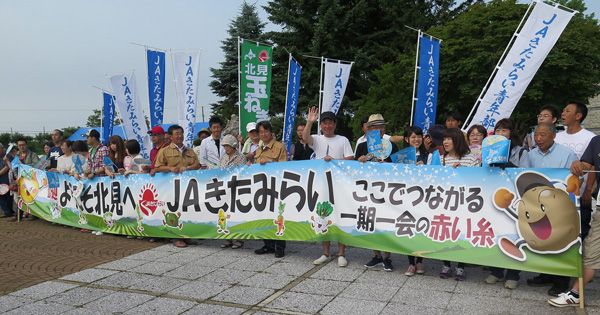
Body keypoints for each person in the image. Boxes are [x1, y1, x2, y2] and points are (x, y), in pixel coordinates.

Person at [526, 122, 578, 296]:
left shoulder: (567, 154)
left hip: (560, 205)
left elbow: (575, 179)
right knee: (543, 239)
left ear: (554, 135)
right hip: (538, 206)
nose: (538, 139)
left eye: (543, 135)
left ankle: (561, 281)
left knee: (561, 240)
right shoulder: (531, 154)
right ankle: (545, 274)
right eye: (536, 135)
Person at [548, 135, 600, 307]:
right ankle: (576, 294)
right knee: (591, 250)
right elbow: (584, 165)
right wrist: (577, 166)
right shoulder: (596, 141)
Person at [302, 107, 354, 267]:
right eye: (324, 123)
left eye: (330, 123)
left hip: (339, 185)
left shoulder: (343, 140)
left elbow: (351, 158)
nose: (327, 126)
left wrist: (334, 161)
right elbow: (305, 138)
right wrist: (309, 122)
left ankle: (341, 253)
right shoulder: (317, 139)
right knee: (322, 216)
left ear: (335, 124)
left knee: (340, 217)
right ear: (321, 125)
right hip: (321, 184)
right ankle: (325, 252)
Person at [485, 118, 529, 290]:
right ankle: (495, 271)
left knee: (513, 236)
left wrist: (509, 166)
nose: (500, 134)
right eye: (497, 130)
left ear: (511, 133)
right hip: (492, 198)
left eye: (504, 130)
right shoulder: (488, 151)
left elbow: (524, 174)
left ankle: (513, 274)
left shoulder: (520, 152)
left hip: (513, 201)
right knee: (495, 234)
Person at [355, 114, 399, 272]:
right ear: (368, 130)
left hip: (388, 190)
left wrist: (387, 164)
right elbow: (354, 170)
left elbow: (399, 167)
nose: (378, 130)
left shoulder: (391, 146)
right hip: (368, 190)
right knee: (370, 221)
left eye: (381, 127)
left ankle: (387, 257)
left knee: (386, 221)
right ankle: (376, 255)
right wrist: (361, 161)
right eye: (374, 127)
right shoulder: (362, 146)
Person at [439, 128, 480, 280]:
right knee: (446, 234)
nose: (445, 142)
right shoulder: (440, 159)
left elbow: (478, 180)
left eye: (448, 139)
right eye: (444, 139)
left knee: (462, 234)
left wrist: (463, 171)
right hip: (445, 203)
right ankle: (446, 264)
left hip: (464, 204)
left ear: (457, 140)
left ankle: (461, 266)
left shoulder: (470, 159)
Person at [554, 101, 596, 241]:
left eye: (567, 111)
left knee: (580, 232)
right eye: (563, 110)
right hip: (556, 194)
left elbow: (593, 166)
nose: (563, 114)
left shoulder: (590, 138)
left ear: (578, 115)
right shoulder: (557, 137)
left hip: (579, 194)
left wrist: (588, 190)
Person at [154, 125, 201, 248]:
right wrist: (170, 168)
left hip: (188, 187)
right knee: (174, 212)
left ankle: (188, 235)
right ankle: (176, 237)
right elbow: (157, 168)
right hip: (171, 188)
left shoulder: (190, 151)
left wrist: (189, 167)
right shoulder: (164, 151)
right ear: (169, 136)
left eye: (181, 133)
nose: (180, 136)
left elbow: (197, 164)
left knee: (188, 210)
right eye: (176, 133)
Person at [251, 121, 288, 258]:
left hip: (276, 186)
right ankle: (268, 244)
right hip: (261, 187)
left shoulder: (279, 146)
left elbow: (285, 167)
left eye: (266, 131)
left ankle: (280, 246)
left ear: (271, 132)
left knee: (277, 215)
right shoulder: (258, 149)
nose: (263, 134)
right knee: (264, 215)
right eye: (260, 132)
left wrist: (270, 161)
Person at [402, 126, 429, 275]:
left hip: (424, 198)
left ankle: (420, 262)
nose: (416, 139)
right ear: (407, 139)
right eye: (413, 137)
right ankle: (411, 263)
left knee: (421, 229)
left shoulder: (429, 156)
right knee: (408, 229)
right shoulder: (401, 157)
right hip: (406, 198)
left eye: (419, 136)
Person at [217, 134, 246, 249]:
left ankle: (239, 238)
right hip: (225, 190)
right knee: (225, 213)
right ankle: (227, 237)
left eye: (228, 146)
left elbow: (242, 172)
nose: (226, 148)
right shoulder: (223, 158)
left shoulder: (240, 157)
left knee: (237, 213)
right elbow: (218, 171)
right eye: (224, 146)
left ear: (233, 145)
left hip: (237, 189)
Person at [0, 144, 15, 218]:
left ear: (2, 148)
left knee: (8, 195)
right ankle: (6, 211)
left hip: (6, 179)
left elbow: (7, 167)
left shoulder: (7, 156)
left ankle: (9, 211)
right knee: (1, 196)